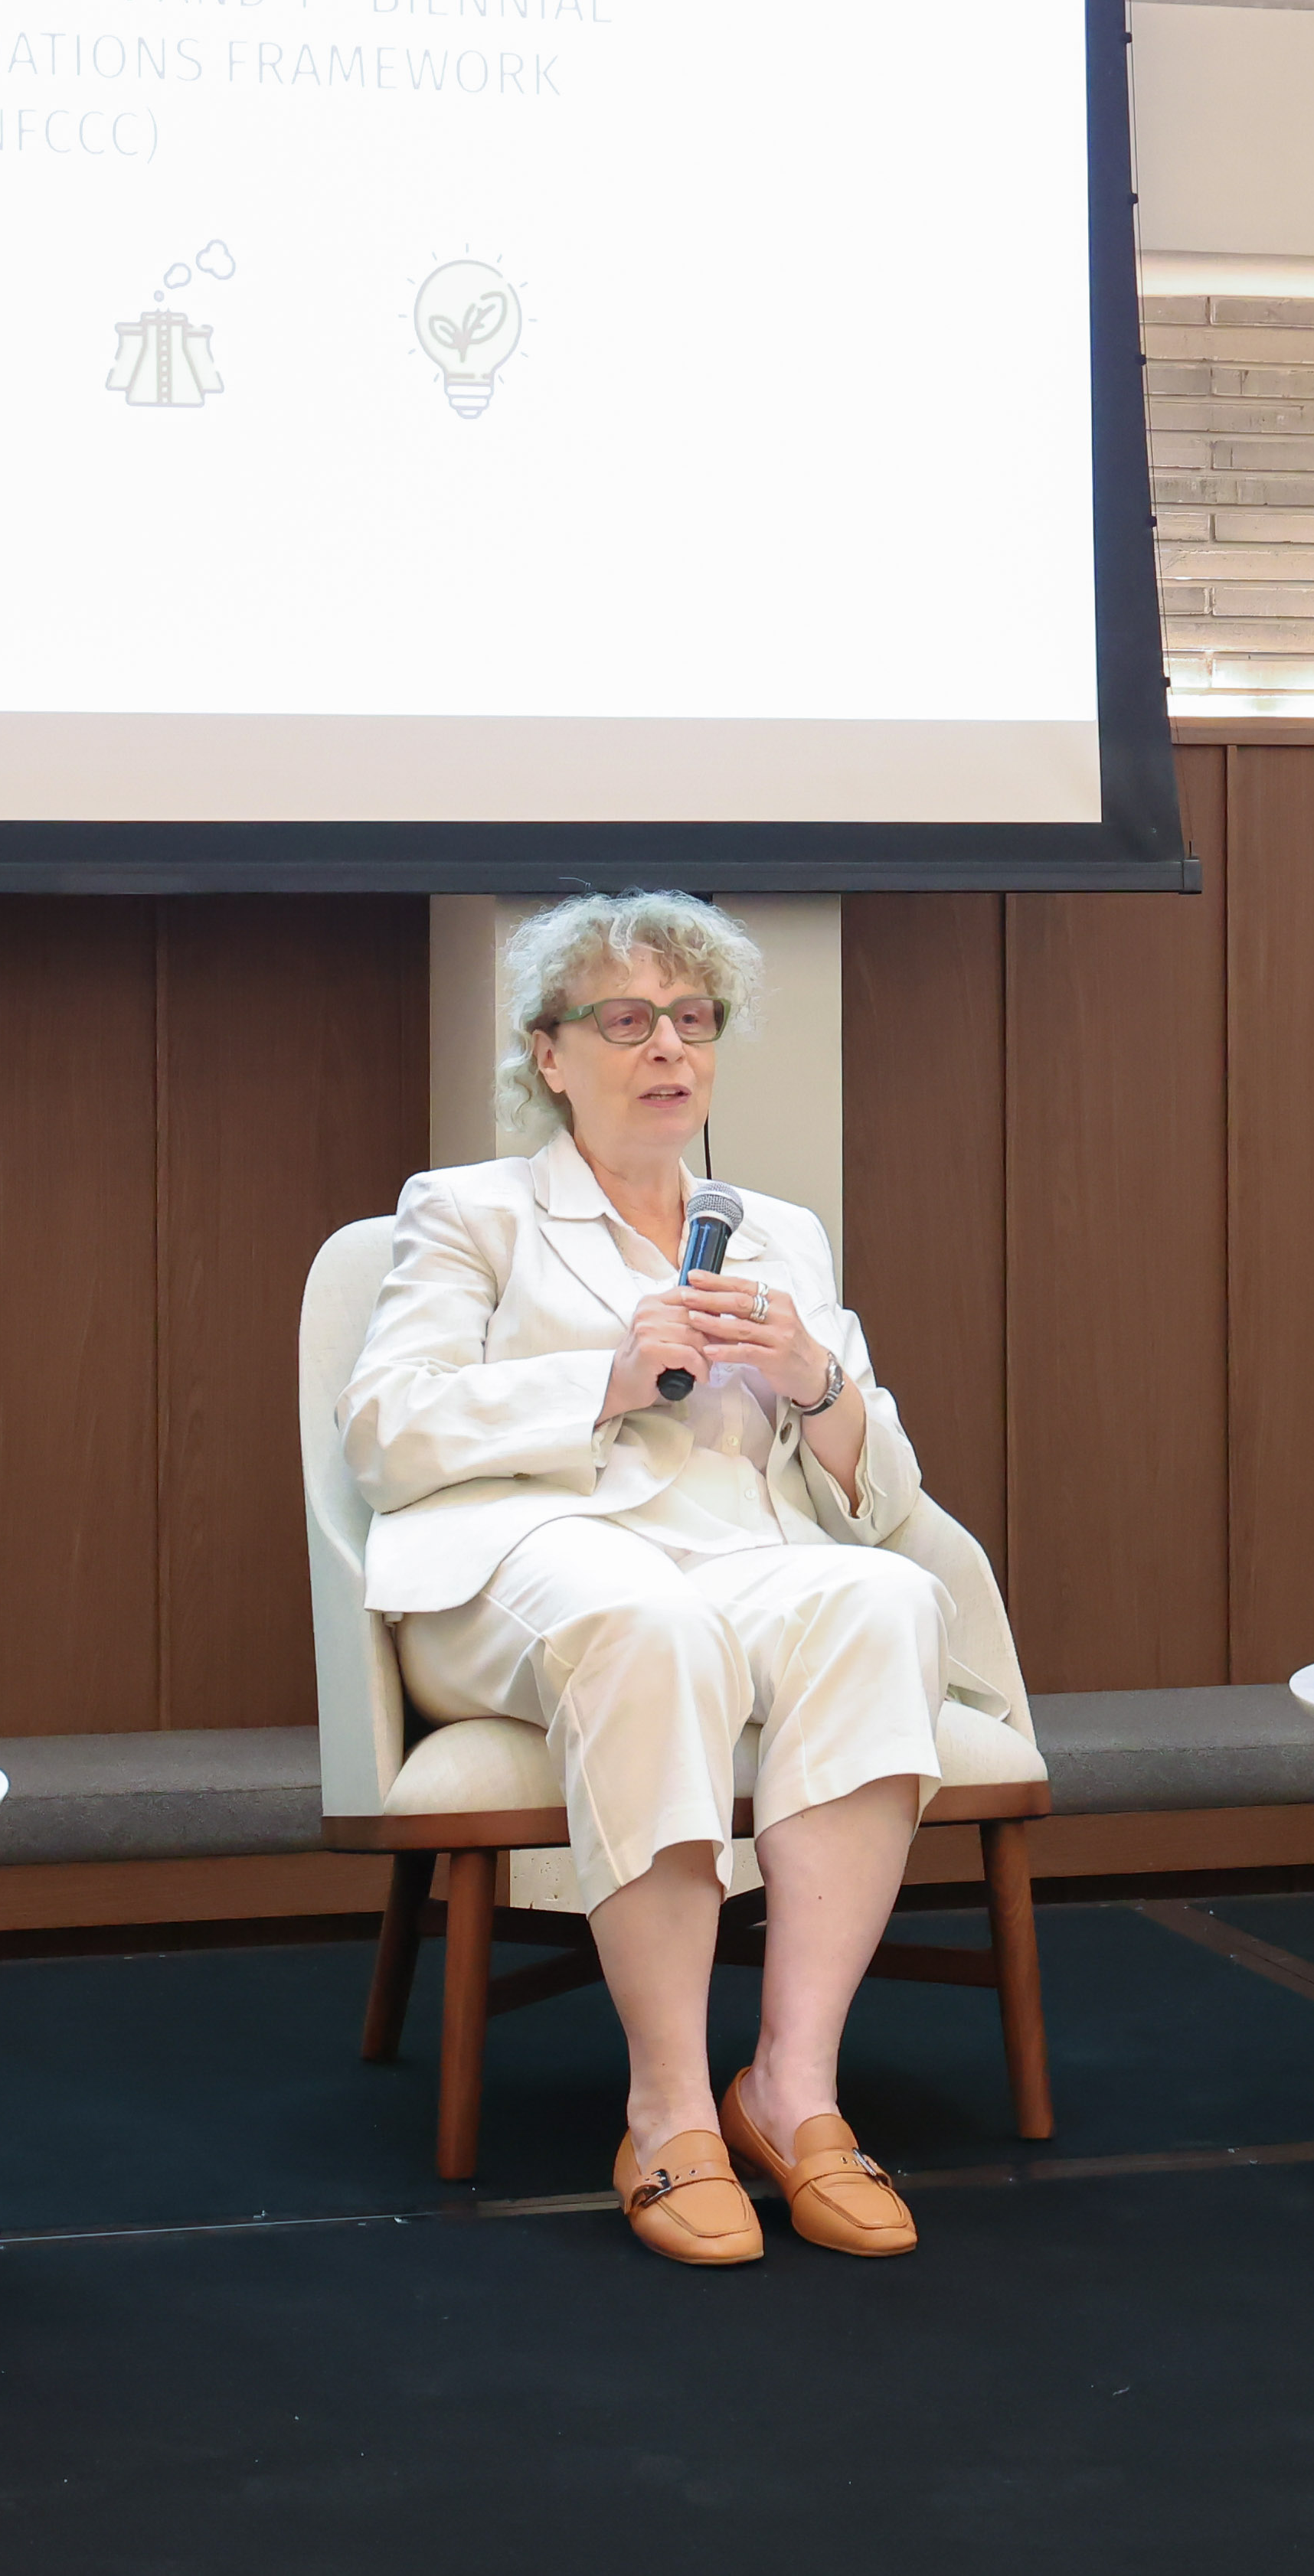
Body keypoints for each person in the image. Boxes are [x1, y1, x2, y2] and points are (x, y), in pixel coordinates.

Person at [342, 890, 1005, 2267]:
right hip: (527, 1559)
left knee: (884, 1599)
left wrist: (812, 1380)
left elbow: (880, 1500)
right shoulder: (469, 1211)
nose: (668, 1048)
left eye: (692, 1020)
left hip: (738, 1557)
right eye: (627, 1019)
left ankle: (790, 2090)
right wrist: (604, 1376)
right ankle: (665, 2111)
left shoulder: (778, 1233)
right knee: (649, 1623)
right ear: (548, 1053)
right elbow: (384, 1429)